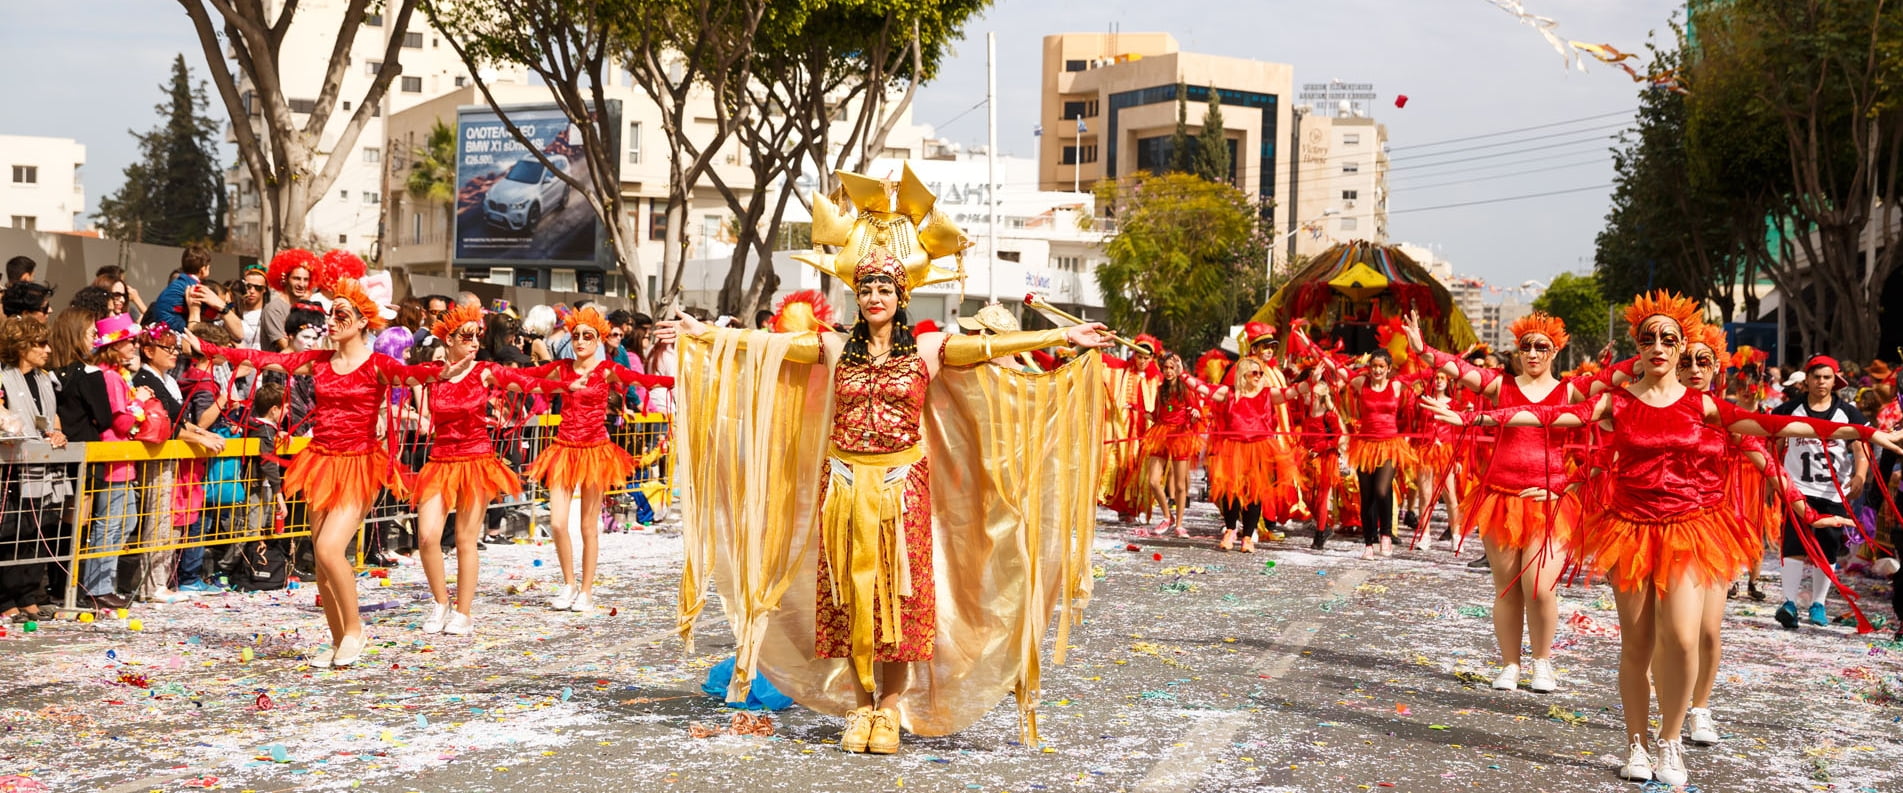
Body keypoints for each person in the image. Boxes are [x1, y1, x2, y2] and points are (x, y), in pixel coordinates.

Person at [659, 164, 1113, 754]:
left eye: (885, 287)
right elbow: (765, 347)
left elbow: (988, 347)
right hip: (843, 486)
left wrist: (1058, 339)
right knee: (848, 599)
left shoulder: (926, 347)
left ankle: (890, 711)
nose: (874, 296)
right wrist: (709, 336)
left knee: (898, 602)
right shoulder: (831, 345)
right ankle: (859, 705)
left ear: (902, 295)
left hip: (903, 486)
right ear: (857, 292)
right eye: (866, 287)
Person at [1419, 292, 1903, 788]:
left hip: (1691, 530)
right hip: (1629, 530)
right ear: (1638, 346)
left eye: (1668, 338)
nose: (1658, 345)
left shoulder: (1705, 405)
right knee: (1638, 643)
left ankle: (1672, 740)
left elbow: (1775, 427)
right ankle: (1636, 742)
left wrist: (1859, 435)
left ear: (1680, 347)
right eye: (1647, 337)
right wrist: (1478, 419)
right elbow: (1548, 418)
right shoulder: (1615, 401)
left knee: (1685, 637)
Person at [187, 261, 466, 667]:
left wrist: (444, 370)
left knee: (331, 548)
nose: (331, 322)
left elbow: (413, 375)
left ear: (360, 322)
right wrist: (211, 349)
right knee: (321, 560)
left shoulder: (377, 364)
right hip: (320, 460)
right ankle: (337, 639)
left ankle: (355, 630)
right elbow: (262, 358)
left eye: (341, 315)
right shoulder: (317, 361)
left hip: (359, 464)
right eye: (330, 314)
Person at [1405, 311, 1587, 692]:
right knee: (1506, 588)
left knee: (1539, 586)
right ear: (1518, 351)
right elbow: (1456, 368)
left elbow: (1614, 403)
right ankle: (1510, 664)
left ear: (1556, 351)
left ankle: (1542, 661)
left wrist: (1569, 484)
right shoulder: (1499, 385)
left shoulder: (1570, 391)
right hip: (1501, 498)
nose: (1533, 353)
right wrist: (1423, 351)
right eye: (1526, 347)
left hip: (1549, 501)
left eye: (1542, 347)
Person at [510, 307, 672, 614]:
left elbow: (642, 380)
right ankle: (569, 584)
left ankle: (585, 590)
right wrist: (486, 374)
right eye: (576, 336)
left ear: (598, 339)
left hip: (596, 451)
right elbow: (527, 378)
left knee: (588, 526)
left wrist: (680, 379)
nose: (581, 342)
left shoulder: (607, 369)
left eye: (588, 336)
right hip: (562, 449)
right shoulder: (562, 368)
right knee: (557, 522)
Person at [410, 305, 524, 635]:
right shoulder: (433, 372)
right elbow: (398, 379)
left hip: (476, 459)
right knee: (428, 536)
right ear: (448, 339)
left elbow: (522, 381)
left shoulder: (484, 371)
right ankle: (440, 603)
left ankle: (464, 611)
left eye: (478, 335)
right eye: (467, 335)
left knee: (464, 539)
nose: (474, 342)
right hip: (441, 460)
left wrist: (561, 380)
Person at [1770, 355, 1870, 630]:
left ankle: (1818, 604)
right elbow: (1775, 448)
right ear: (1807, 379)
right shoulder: (1789, 409)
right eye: (1816, 377)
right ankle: (1788, 602)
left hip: (1832, 490)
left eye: (1827, 377)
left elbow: (1861, 447)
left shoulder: (1848, 413)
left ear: (1835, 380)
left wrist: (1860, 474)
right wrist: (1774, 479)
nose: (1821, 382)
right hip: (1797, 487)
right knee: (1793, 544)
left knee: (1826, 548)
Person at [72, 314, 151, 612]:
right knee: (109, 525)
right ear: (113, 347)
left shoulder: (117, 375)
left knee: (126, 521)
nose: (133, 346)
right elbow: (121, 422)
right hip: (113, 459)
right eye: (128, 342)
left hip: (122, 460)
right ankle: (96, 588)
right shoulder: (111, 377)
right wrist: (140, 401)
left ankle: (104, 583)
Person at [1192, 355, 1304, 552]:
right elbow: (1203, 389)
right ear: (1243, 374)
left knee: (1254, 493)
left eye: (1261, 373)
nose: (1259, 376)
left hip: (1258, 448)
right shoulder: (1230, 393)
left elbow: (1291, 392)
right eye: (1255, 373)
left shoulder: (1268, 394)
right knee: (1231, 492)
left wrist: (1312, 381)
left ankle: (1247, 537)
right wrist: (1182, 375)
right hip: (1233, 448)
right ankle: (1230, 529)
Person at [0, 315, 70, 623]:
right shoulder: (3, 376)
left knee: (36, 529)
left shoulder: (45, 379)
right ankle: (4, 597)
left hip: (41, 462)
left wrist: (57, 432)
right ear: (20, 346)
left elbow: (50, 419)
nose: (48, 349)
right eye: (40, 344)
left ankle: (27, 594)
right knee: (10, 530)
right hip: (10, 464)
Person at [1139, 352, 1203, 537]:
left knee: (1180, 485)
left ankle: (1180, 524)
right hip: (1161, 433)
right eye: (1165, 367)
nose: (1168, 371)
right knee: (1153, 480)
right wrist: (1149, 414)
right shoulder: (1161, 390)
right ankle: (1168, 516)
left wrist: (1194, 416)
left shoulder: (1187, 390)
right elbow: (1159, 413)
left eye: (1172, 367)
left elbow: (1196, 413)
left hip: (1180, 435)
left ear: (1178, 368)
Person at [1101, 336, 1160, 522]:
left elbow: (1166, 403)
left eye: (1146, 358)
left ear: (1152, 359)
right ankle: (1124, 510)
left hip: (1147, 429)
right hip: (1124, 428)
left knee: (1141, 469)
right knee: (1123, 465)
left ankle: (1137, 508)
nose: (1142, 361)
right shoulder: (1122, 370)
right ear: (1134, 356)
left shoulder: (1157, 379)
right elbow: (1100, 359)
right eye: (1139, 356)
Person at [147, 246, 214, 332]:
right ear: (203, 270)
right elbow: (207, 311)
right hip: (174, 323)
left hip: (160, 321)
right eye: (208, 267)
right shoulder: (193, 286)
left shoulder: (179, 281)